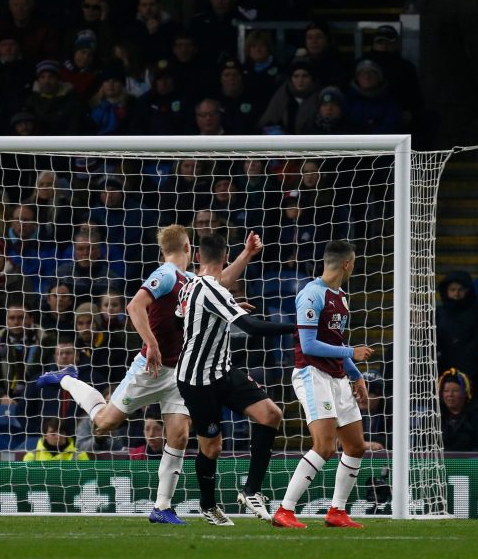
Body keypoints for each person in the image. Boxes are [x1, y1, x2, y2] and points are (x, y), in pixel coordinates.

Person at [39, 224, 262, 525]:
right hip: (150, 368)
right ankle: (67, 377)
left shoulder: (191, 279)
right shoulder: (166, 273)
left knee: (179, 435)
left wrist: (246, 255)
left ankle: (162, 507)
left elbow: (220, 281)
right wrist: (152, 343)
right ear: (187, 248)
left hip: (180, 370)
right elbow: (135, 305)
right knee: (104, 423)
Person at [176, 233, 295, 523]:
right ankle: (207, 505)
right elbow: (251, 327)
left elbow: (218, 289)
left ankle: (251, 490)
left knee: (270, 414)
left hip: (222, 370)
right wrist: (297, 326)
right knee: (212, 447)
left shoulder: (192, 285)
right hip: (197, 380)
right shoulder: (212, 290)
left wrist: (246, 255)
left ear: (197, 257)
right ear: (224, 257)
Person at [272, 241, 375, 529]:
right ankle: (284, 510)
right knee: (325, 446)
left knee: (355, 446)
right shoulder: (311, 294)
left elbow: (336, 341)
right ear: (347, 264)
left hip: (337, 376)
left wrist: (355, 375)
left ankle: (337, 512)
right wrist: (350, 353)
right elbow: (308, 345)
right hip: (312, 374)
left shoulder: (341, 296)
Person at [438, 368, 478, 452]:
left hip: (469, 463)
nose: (450, 395)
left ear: (465, 392)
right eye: (446, 391)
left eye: (455, 391)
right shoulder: (434, 416)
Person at [22, 417, 89, 462]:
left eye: (61, 432)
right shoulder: (32, 456)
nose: (58, 436)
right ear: (44, 436)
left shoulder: (79, 455)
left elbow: (88, 477)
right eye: (53, 433)